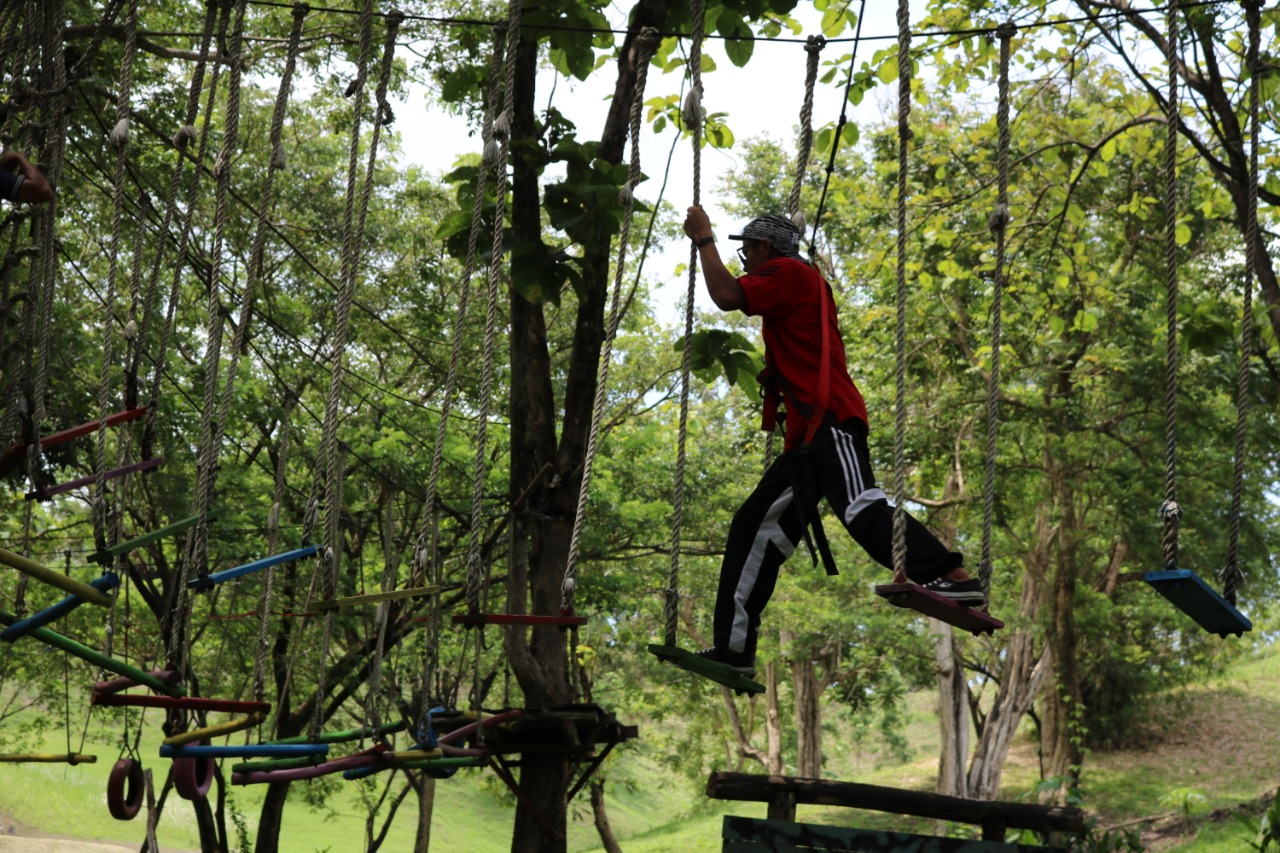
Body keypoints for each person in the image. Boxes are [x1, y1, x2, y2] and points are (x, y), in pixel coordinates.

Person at [682, 206, 984, 677]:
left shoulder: (788, 271)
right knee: (752, 526)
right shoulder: (793, 277)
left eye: (746, 251)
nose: (744, 261)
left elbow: (726, 295)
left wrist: (704, 240)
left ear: (765, 249)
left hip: (830, 423)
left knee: (862, 508)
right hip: (806, 437)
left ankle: (954, 577)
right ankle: (735, 648)